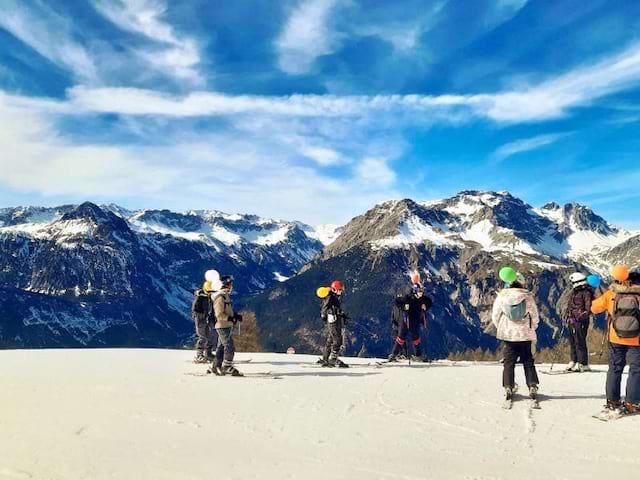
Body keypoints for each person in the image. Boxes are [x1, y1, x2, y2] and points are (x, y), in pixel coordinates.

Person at [591, 269, 640, 417]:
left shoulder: (611, 294)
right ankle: (632, 403)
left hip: (615, 337)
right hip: (637, 339)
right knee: (636, 370)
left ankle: (613, 401)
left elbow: (593, 308)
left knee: (614, 368)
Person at [491, 275, 540, 402]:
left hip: (508, 333)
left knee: (509, 361)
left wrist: (501, 327)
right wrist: (532, 327)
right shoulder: (527, 297)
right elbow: (534, 315)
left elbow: (495, 315)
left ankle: (508, 386)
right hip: (525, 333)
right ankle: (532, 385)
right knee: (528, 360)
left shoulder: (502, 296)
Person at [388, 283, 433, 362]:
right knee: (401, 338)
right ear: (415, 291)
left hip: (415, 321)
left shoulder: (423, 299)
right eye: (419, 291)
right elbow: (397, 301)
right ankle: (393, 355)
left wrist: (426, 306)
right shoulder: (408, 298)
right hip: (405, 321)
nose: (421, 293)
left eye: (422, 291)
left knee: (416, 339)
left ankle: (418, 356)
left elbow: (429, 302)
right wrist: (404, 307)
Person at [212, 275, 243, 376]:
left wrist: (235, 315)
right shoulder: (220, 297)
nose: (231, 287)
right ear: (225, 285)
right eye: (230, 284)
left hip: (226, 325)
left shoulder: (225, 296)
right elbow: (219, 314)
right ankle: (227, 366)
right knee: (229, 346)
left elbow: (227, 311)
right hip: (222, 325)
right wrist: (230, 318)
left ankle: (216, 366)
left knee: (221, 346)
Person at [563, 272, 595, 372]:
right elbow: (571, 305)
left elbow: (588, 308)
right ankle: (574, 360)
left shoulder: (586, 293)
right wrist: (567, 316)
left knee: (580, 341)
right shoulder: (575, 292)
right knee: (572, 341)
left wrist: (580, 317)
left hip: (580, 321)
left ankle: (583, 363)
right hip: (571, 320)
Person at [320, 280, 349, 367]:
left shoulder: (333, 296)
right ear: (335, 289)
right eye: (340, 290)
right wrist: (334, 313)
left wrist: (342, 314)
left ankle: (325, 358)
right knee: (338, 340)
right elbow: (325, 309)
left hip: (334, 320)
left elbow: (334, 308)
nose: (341, 291)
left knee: (331, 339)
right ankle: (333, 359)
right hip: (333, 321)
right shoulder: (330, 297)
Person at [191, 281, 216, 363]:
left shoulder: (211, 297)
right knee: (202, 337)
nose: (210, 293)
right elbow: (194, 310)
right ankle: (199, 354)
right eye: (209, 291)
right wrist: (202, 316)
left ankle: (208, 353)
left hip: (209, 319)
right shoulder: (200, 297)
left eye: (211, 292)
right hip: (200, 320)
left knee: (211, 336)